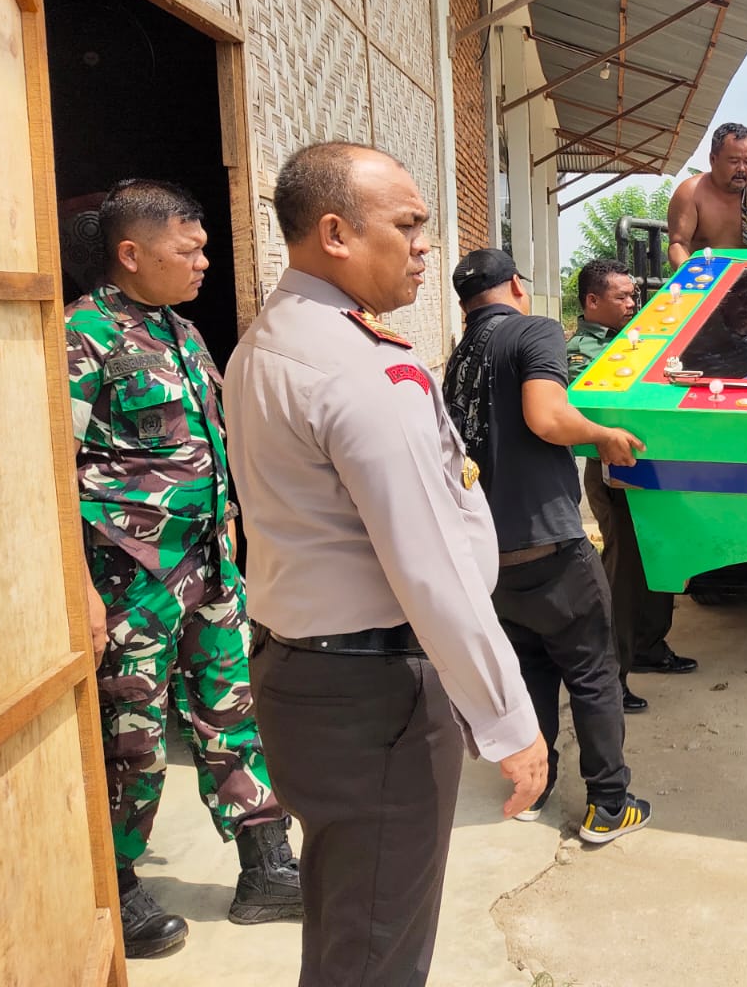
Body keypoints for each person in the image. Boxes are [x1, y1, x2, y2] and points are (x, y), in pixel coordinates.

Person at [224, 143, 548, 985]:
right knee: (378, 951)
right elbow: (431, 566)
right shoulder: (357, 368)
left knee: (350, 922)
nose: (424, 245)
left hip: (301, 674)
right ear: (336, 233)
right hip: (376, 695)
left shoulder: (264, 344)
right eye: (407, 224)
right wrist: (509, 720)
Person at [67, 180, 302, 959]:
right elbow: (49, 466)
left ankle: (266, 869)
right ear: (132, 253)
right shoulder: (82, 334)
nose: (204, 261)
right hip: (129, 579)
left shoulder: (183, 331)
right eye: (189, 249)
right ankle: (114, 885)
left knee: (234, 710)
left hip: (209, 566)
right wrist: (77, 590)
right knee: (130, 733)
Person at [445, 248, 653, 843]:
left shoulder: (459, 359)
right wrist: (603, 435)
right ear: (516, 285)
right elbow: (546, 416)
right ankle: (608, 804)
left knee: (532, 669)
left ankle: (536, 788)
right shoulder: (534, 331)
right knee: (593, 673)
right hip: (551, 546)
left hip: (492, 557)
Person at [568, 260, 699, 711]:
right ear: (592, 301)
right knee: (623, 576)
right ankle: (611, 678)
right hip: (615, 472)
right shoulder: (582, 350)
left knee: (660, 557)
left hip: (656, 467)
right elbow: (587, 408)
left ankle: (648, 645)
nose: (632, 302)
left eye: (633, 295)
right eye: (621, 296)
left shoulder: (643, 337)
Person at [667, 122, 747, 267]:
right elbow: (678, 245)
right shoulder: (690, 193)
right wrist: (691, 275)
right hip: (703, 276)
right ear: (713, 159)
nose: (742, 168)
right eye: (734, 161)